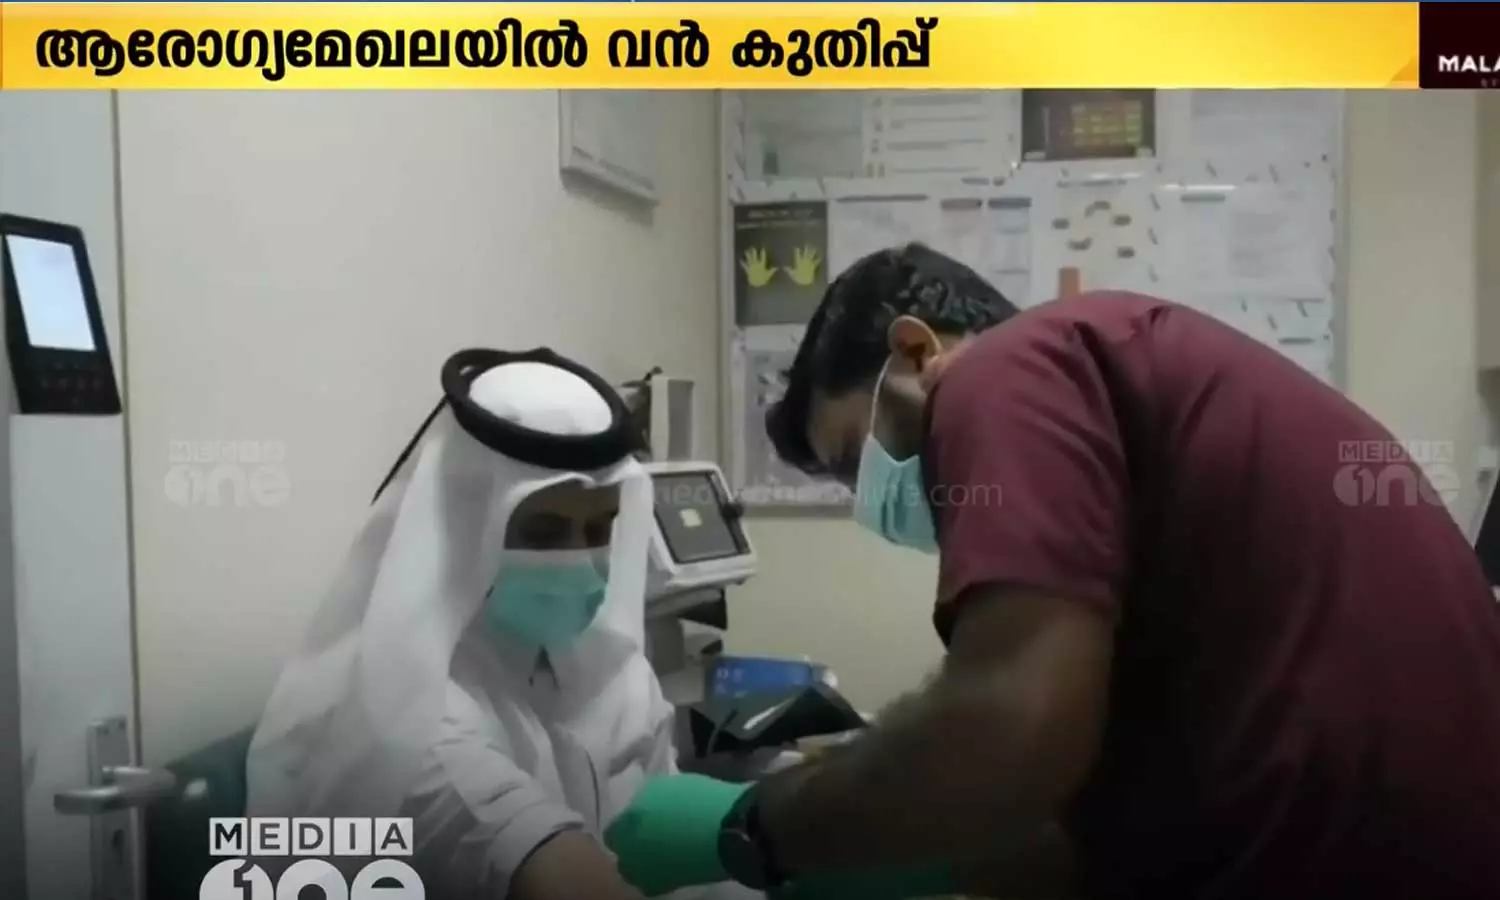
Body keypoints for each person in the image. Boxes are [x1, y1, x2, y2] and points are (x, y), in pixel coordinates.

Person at [605, 244, 1500, 899]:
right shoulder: (1116, 372)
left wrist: (754, 827)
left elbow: (1009, 727)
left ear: (916, 352)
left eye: (855, 458)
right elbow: (1090, 815)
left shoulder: (1008, 371)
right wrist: (888, 844)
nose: (870, 494)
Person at [246, 348, 757, 900]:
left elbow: (661, 830)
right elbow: (548, 860)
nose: (580, 562)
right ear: (466, 531)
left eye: (600, 528)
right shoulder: (409, 714)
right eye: (543, 532)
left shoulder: (614, 669)